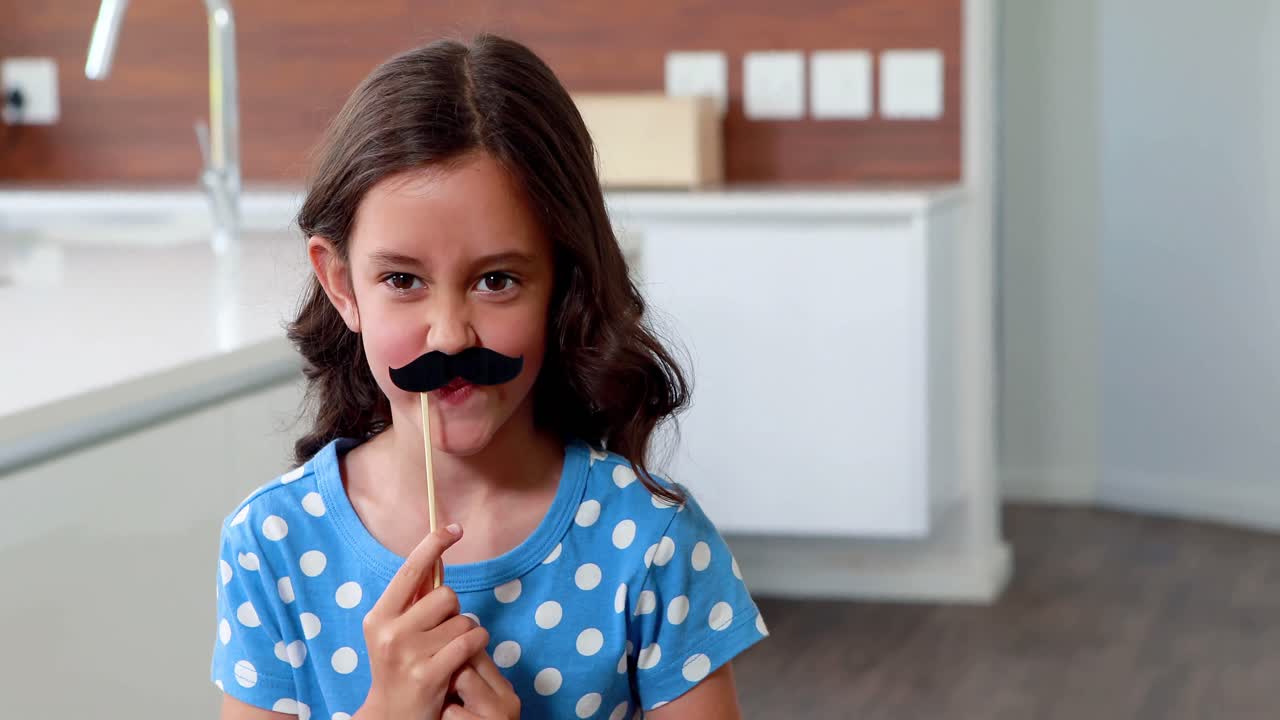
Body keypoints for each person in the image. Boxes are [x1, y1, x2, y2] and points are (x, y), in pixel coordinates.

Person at [211, 34, 767, 720]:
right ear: (341, 284)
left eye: (496, 280)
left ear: (562, 284)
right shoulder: (271, 545)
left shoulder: (653, 544)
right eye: (402, 279)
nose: (449, 335)